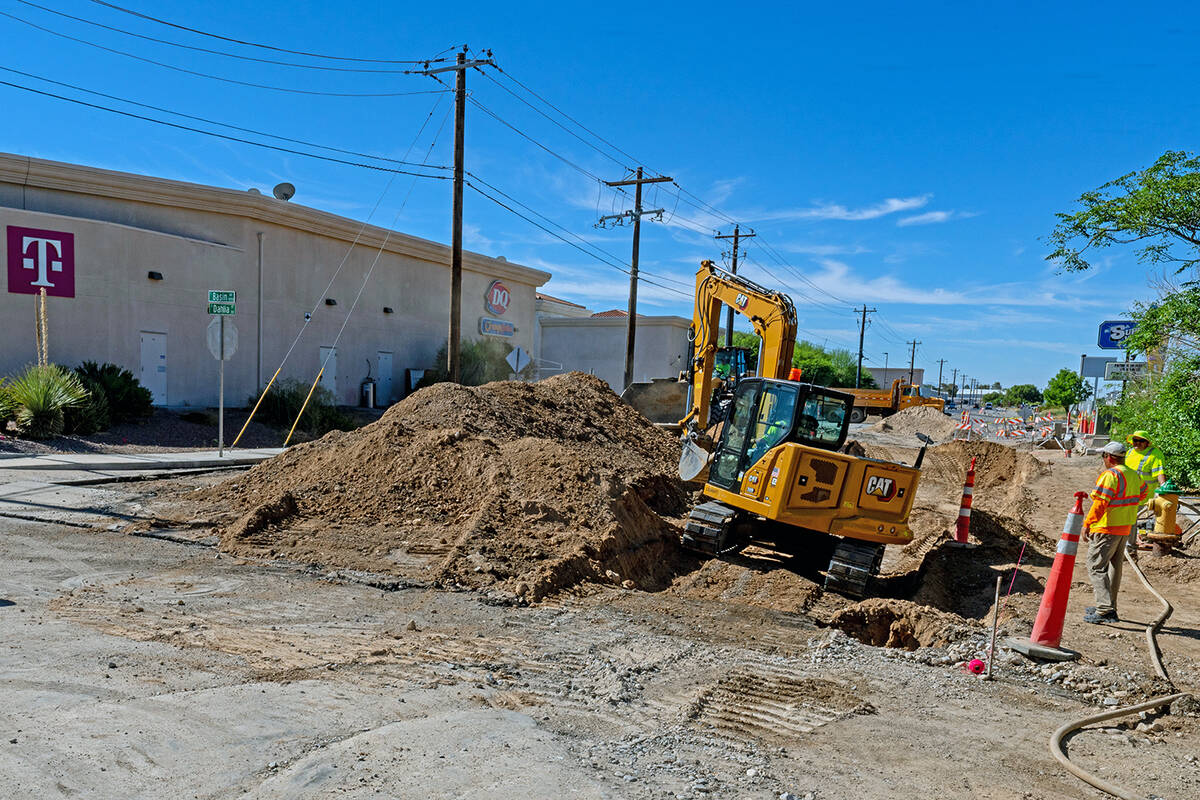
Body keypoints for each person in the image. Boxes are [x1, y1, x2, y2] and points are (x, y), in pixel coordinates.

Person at [1081, 441, 1147, 624]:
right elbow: (1143, 493)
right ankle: (1110, 606)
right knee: (1114, 567)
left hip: (1107, 528)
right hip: (1124, 527)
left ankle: (1104, 609)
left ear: (1108, 457)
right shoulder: (1133, 475)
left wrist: (1088, 523)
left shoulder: (1110, 476)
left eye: (1104, 457)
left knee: (1095, 566)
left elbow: (1100, 503)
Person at [1125, 430, 1167, 495]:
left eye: (1141, 441)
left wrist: (1164, 489)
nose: (1138, 443)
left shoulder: (1155, 454)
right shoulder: (1129, 452)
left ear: (1147, 443)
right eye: (1135, 440)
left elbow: (1160, 472)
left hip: (1146, 496)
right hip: (1129, 494)